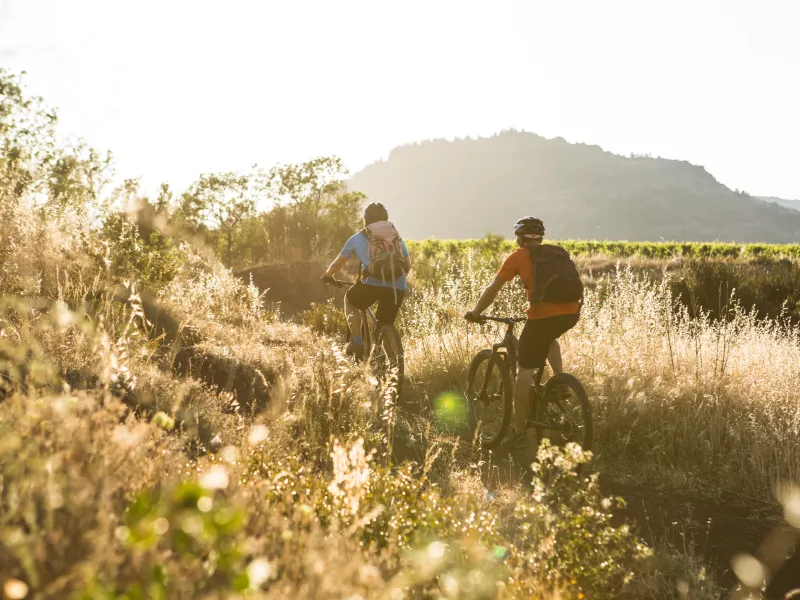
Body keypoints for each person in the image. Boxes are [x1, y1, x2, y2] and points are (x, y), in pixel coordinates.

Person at [464, 216, 581, 461]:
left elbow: (493, 288)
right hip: (571, 312)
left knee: (524, 371)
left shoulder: (518, 256)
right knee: (549, 338)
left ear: (520, 238)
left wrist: (476, 313)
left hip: (542, 316)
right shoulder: (557, 254)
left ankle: (518, 433)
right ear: (540, 238)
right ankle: (559, 383)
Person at [322, 202, 411, 359]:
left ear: (366, 220)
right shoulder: (396, 238)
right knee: (385, 325)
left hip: (371, 285)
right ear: (385, 219)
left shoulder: (357, 238)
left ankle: (357, 342)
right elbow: (407, 265)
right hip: (397, 288)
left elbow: (338, 263)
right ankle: (395, 368)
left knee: (350, 301)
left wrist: (328, 276)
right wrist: (394, 281)